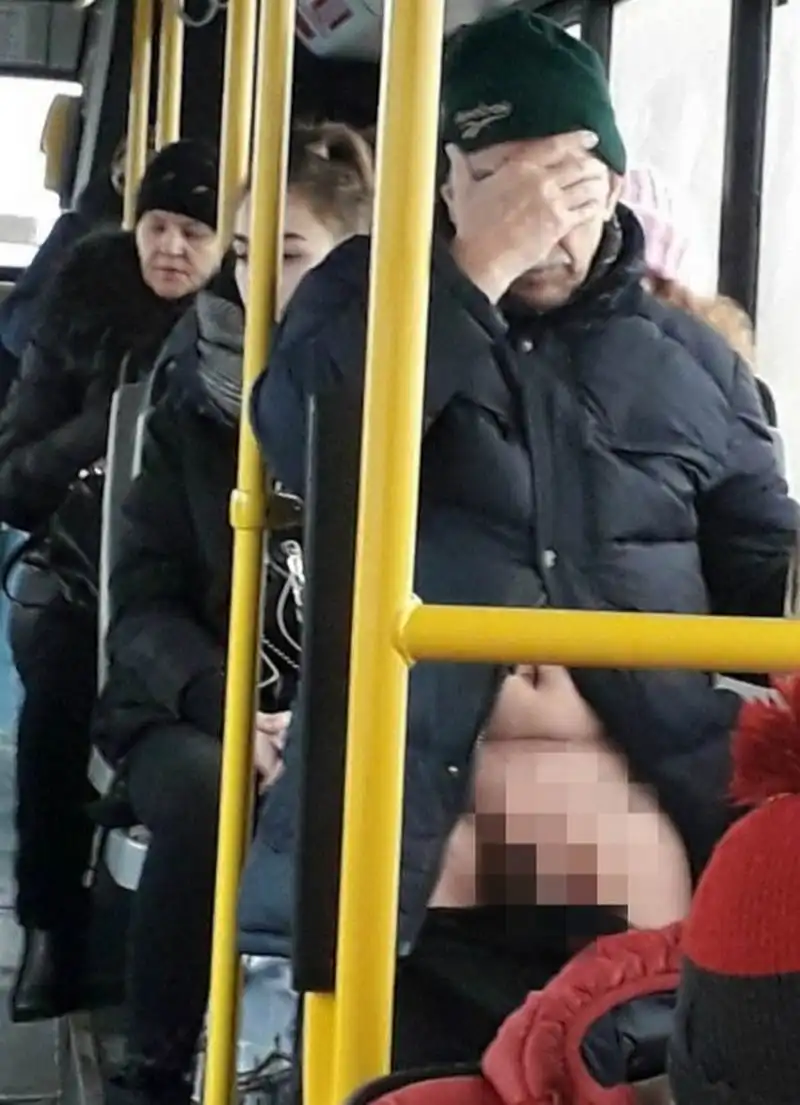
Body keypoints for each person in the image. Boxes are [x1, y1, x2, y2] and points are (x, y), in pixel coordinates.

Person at [240, 4, 798, 1066]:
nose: (537, 218)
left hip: (631, 853)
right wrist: (473, 272)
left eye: (565, 186)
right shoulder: (367, 301)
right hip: (411, 859)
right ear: (446, 185)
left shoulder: (695, 365)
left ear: (613, 186)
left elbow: (761, 572)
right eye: (500, 182)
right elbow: (308, 447)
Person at [92, 120, 374, 1105]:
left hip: (354, 709)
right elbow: (143, 606)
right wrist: (229, 704)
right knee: (217, 791)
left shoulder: (409, 400)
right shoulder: (193, 404)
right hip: (194, 703)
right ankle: (160, 1063)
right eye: (246, 255)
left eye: (290, 257)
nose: (261, 283)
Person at [1, 139, 221, 1024]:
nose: (170, 248)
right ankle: (50, 921)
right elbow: (13, 476)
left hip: (198, 578)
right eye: (157, 226)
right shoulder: (83, 307)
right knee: (56, 681)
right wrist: (98, 431)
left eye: (195, 233)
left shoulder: (241, 336)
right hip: (81, 560)